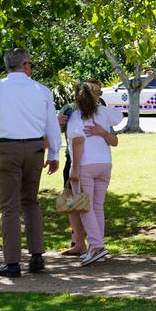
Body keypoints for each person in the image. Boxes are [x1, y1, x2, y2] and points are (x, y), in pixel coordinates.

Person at [0, 48, 61, 277]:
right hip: (35, 149)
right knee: (30, 202)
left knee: (9, 207)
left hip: (5, 149)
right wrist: (54, 154)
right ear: (25, 64)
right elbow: (52, 126)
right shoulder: (42, 90)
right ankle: (37, 257)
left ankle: (13, 263)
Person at [66, 82, 122, 266]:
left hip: (85, 165)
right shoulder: (104, 112)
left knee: (84, 207)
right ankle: (96, 245)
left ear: (77, 98)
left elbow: (78, 141)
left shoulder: (76, 116)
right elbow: (118, 116)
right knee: (97, 206)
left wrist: (74, 168)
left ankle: (97, 246)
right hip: (104, 164)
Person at [58, 78, 108, 256]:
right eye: (94, 91)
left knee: (87, 205)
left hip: (87, 163)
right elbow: (57, 128)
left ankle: (94, 244)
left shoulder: (101, 108)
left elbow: (111, 135)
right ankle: (79, 242)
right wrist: (58, 122)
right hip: (73, 161)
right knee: (73, 203)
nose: (97, 95)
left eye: (99, 92)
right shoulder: (71, 109)